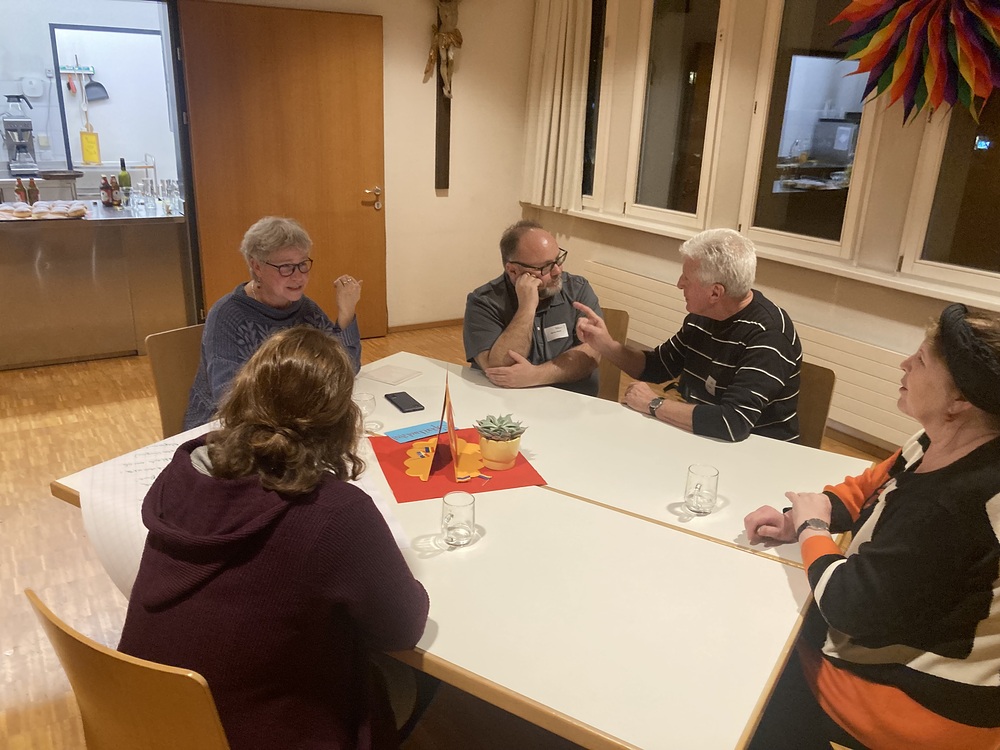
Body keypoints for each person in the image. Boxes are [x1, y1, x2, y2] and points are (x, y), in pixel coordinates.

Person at [120, 327, 430, 750]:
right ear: (343, 419)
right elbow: (402, 628)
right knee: (418, 681)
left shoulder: (184, 474)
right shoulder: (333, 513)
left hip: (144, 722)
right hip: (252, 733)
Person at [743, 303, 1000, 750]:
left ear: (960, 400)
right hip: (910, 652)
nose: (904, 363)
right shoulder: (941, 440)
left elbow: (848, 606)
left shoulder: (954, 505)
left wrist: (811, 529)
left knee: (756, 663)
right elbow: (870, 486)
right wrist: (803, 516)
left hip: (920, 703)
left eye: (921, 361)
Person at [575, 228, 801, 442]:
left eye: (687, 278)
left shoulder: (770, 335)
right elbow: (657, 366)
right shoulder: (703, 317)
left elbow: (731, 422)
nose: (679, 284)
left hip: (759, 453)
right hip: (704, 438)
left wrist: (653, 404)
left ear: (715, 293)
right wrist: (606, 345)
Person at [183, 216, 363, 429]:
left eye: (302, 264)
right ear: (257, 266)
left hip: (292, 419)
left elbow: (345, 369)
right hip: (226, 428)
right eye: (286, 267)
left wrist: (346, 312)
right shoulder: (228, 315)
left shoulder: (305, 309)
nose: (299, 277)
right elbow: (229, 399)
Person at [464, 219, 603, 396]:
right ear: (513, 270)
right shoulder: (484, 302)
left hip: (570, 401)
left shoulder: (577, 289)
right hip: (508, 401)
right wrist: (527, 308)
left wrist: (536, 375)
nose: (557, 271)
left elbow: (591, 353)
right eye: (545, 267)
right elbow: (499, 368)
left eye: (558, 260)